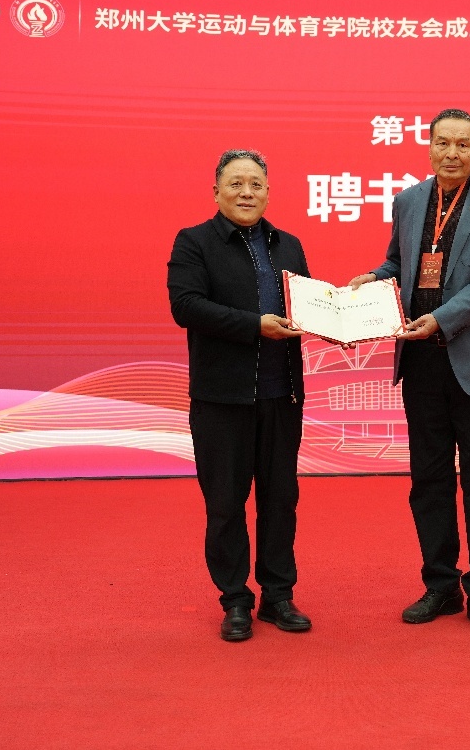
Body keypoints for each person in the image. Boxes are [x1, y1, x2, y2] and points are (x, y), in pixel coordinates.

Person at [348, 109, 470, 635]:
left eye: (462, 145)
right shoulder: (408, 201)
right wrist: (370, 281)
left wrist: (442, 319)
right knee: (428, 479)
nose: (451, 153)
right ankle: (440, 585)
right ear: (428, 147)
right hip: (421, 361)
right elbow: (398, 265)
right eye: (443, 143)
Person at [167, 149, 313, 643]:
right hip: (222, 399)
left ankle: (278, 595)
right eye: (236, 183)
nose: (246, 192)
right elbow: (186, 306)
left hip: (281, 395)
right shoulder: (194, 242)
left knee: (281, 500)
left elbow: (308, 306)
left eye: (255, 184)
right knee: (226, 504)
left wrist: (342, 324)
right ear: (216, 192)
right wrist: (255, 326)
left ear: (268, 192)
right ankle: (234, 600)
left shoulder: (289, 244)